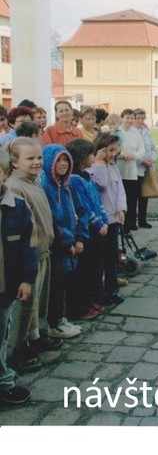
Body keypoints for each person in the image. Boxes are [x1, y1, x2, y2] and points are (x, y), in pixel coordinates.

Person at [5, 138, 62, 373]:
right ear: (14, 162)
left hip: (42, 251)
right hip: (28, 256)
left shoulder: (33, 182)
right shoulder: (15, 187)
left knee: (38, 301)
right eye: (30, 158)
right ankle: (17, 349)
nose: (37, 162)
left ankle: (34, 336)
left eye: (39, 157)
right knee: (24, 307)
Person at [0, 149, 38, 406]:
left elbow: (28, 246)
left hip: (5, 286)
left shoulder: (17, 208)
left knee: (1, 335)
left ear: (5, 174)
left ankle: (4, 382)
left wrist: (26, 279)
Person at [65, 138, 109, 321]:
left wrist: (105, 220)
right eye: (91, 154)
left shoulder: (87, 177)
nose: (94, 157)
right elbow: (84, 207)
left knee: (94, 269)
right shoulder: (75, 181)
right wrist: (98, 224)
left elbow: (97, 201)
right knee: (84, 270)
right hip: (88, 231)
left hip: (99, 230)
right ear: (82, 156)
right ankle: (82, 305)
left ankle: (91, 299)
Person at [41, 144, 82, 339]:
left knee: (63, 282)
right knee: (56, 285)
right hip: (58, 245)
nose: (63, 164)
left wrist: (77, 237)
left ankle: (60, 318)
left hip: (69, 241)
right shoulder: (48, 188)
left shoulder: (64, 185)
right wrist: (67, 242)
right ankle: (54, 322)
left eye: (66, 160)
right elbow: (55, 219)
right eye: (59, 160)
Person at [88, 133, 127, 306]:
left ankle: (112, 288)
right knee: (99, 258)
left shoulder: (114, 167)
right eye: (109, 150)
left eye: (115, 150)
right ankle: (98, 292)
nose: (113, 154)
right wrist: (99, 162)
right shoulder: (94, 168)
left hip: (113, 218)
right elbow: (101, 184)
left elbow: (120, 190)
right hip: (100, 220)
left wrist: (121, 209)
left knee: (112, 257)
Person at [115, 109, 145, 232]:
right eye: (127, 117)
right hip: (119, 169)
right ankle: (119, 224)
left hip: (132, 171)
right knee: (119, 198)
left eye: (132, 118)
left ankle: (129, 224)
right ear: (122, 118)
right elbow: (113, 148)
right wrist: (122, 154)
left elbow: (142, 151)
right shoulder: (117, 132)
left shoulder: (136, 134)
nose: (129, 120)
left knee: (131, 199)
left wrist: (133, 155)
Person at [133, 109, 158, 229]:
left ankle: (142, 220)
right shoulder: (132, 132)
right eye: (138, 118)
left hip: (147, 167)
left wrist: (152, 159)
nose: (140, 121)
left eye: (142, 118)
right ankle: (132, 220)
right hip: (136, 167)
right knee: (134, 196)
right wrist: (142, 161)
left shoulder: (146, 132)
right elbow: (133, 151)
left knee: (144, 195)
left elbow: (153, 148)